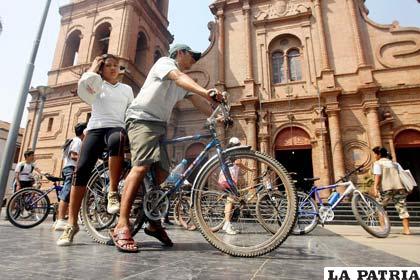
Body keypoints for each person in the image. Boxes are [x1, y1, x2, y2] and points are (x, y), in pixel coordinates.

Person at [110, 43, 223, 252]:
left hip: (159, 126)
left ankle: (153, 223)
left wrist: (218, 115)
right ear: (180, 53)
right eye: (192, 56)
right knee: (142, 166)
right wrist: (208, 92)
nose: (194, 60)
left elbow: (198, 102)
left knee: (162, 176)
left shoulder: (181, 81)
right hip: (141, 120)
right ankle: (122, 224)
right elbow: (180, 78)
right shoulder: (165, 64)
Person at [57, 54, 134, 246]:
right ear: (101, 68)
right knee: (81, 170)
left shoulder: (126, 89)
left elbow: (131, 111)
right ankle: (71, 224)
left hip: (116, 127)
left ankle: (113, 193)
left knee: (118, 138)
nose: (114, 68)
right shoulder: (97, 84)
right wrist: (93, 66)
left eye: (117, 65)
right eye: (109, 65)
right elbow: (84, 86)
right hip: (96, 128)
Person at [53, 122, 87, 231]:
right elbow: (73, 155)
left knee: (67, 192)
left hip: (68, 168)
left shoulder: (74, 140)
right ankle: (61, 220)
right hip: (71, 168)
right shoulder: (77, 141)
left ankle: (60, 219)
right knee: (67, 193)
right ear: (84, 131)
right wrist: (85, 161)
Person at [218, 137, 254, 235]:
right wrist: (250, 169)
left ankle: (227, 224)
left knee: (230, 201)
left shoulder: (228, 152)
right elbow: (238, 163)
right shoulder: (233, 152)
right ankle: (227, 224)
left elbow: (236, 165)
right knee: (230, 201)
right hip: (228, 178)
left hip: (225, 177)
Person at [372, 146, 411, 235]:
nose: (374, 156)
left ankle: (383, 228)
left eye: (375, 154)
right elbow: (403, 175)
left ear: (379, 154)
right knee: (402, 208)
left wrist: (375, 188)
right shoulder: (395, 164)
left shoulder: (378, 164)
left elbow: (378, 177)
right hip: (399, 188)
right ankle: (406, 230)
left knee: (380, 208)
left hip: (386, 188)